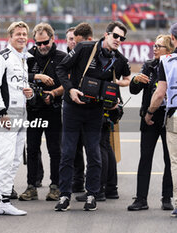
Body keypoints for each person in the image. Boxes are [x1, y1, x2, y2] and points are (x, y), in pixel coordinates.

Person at [55, 21, 130, 212]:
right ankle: (64, 195)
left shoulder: (119, 59)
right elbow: (61, 69)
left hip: (96, 110)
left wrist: (118, 91)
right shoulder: (84, 47)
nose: (118, 40)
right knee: (68, 152)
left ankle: (92, 195)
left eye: (122, 38)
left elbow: (128, 78)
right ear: (106, 34)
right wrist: (70, 90)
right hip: (73, 106)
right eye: (115, 36)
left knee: (94, 153)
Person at [0, 21, 33, 219]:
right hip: (6, 115)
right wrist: (1, 112)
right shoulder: (0, 57)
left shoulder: (24, 59)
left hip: (22, 114)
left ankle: (5, 201)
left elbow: (20, 88)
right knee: (5, 159)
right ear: (10, 36)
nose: (22, 37)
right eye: (18, 34)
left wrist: (29, 94)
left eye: (24, 34)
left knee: (15, 160)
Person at [18, 22, 66, 202]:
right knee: (32, 149)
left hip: (53, 109)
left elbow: (68, 83)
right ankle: (31, 186)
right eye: (38, 43)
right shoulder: (27, 56)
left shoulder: (62, 57)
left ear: (53, 39)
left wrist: (53, 93)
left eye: (45, 42)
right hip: (32, 110)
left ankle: (56, 186)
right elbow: (18, 76)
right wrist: (36, 77)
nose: (42, 46)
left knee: (55, 150)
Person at [127, 34, 174, 211]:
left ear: (168, 50)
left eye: (158, 46)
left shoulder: (173, 66)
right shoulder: (149, 65)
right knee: (145, 158)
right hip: (150, 116)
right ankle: (141, 199)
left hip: (168, 116)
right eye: (154, 45)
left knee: (169, 159)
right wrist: (135, 79)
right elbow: (134, 90)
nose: (154, 49)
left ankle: (167, 197)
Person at [145, 22, 177, 217]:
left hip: (174, 114)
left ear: (172, 39)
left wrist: (149, 113)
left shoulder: (167, 61)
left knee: (175, 161)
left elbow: (160, 93)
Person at [71, 22, 93, 193]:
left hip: (94, 109)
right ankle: (77, 182)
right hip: (73, 107)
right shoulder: (68, 56)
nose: (73, 44)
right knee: (74, 149)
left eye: (76, 41)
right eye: (71, 40)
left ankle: (99, 188)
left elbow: (122, 77)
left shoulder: (98, 54)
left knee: (95, 149)